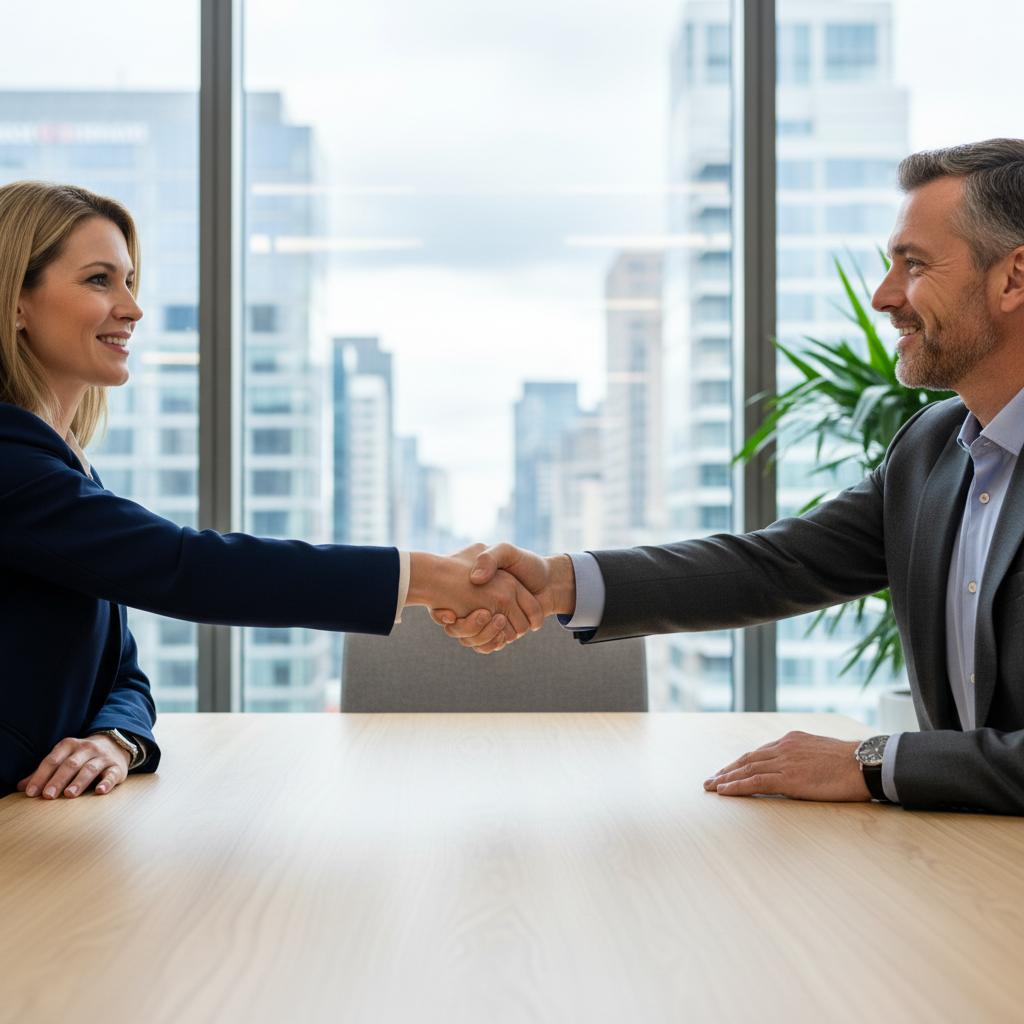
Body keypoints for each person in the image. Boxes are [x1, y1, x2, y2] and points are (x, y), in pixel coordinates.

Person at [437, 138, 1024, 816]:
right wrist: (557, 583)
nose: (885, 296)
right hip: (964, 868)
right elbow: (776, 565)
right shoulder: (930, 449)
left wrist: (871, 761)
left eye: (914, 265)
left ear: (1012, 279)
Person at [0, 180, 543, 802]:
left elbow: (124, 673)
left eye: (129, 281)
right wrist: (427, 576)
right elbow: (187, 568)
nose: (132, 307)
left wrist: (115, 739)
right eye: (100, 280)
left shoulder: (63, 469)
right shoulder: (11, 466)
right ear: (16, 300)